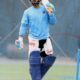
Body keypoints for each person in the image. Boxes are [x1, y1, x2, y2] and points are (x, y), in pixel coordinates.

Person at [15, 0, 56, 80]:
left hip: (45, 40)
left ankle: (34, 72)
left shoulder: (46, 8)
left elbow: (53, 22)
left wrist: (51, 14)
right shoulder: (27, 12)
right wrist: (20, 38)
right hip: (33, 40)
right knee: (35, 61)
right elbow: (23, 25)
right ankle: (34, 72)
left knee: (48, 61)